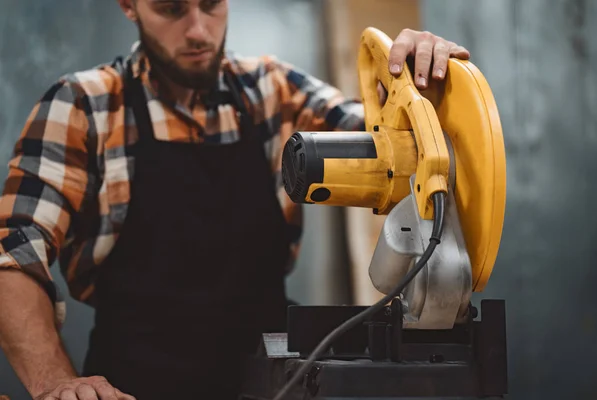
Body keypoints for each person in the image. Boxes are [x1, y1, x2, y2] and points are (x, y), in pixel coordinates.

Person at [0, 1, 471, 399]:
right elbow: (15, 251)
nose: (199, 30)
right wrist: (55, 383)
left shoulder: (273, 90)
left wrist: (420, 94)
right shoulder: (84, 104)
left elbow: (391, 149)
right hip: (132, 384)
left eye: (211, 3)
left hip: (272, 380)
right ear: (128, 5)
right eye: (170, 8)